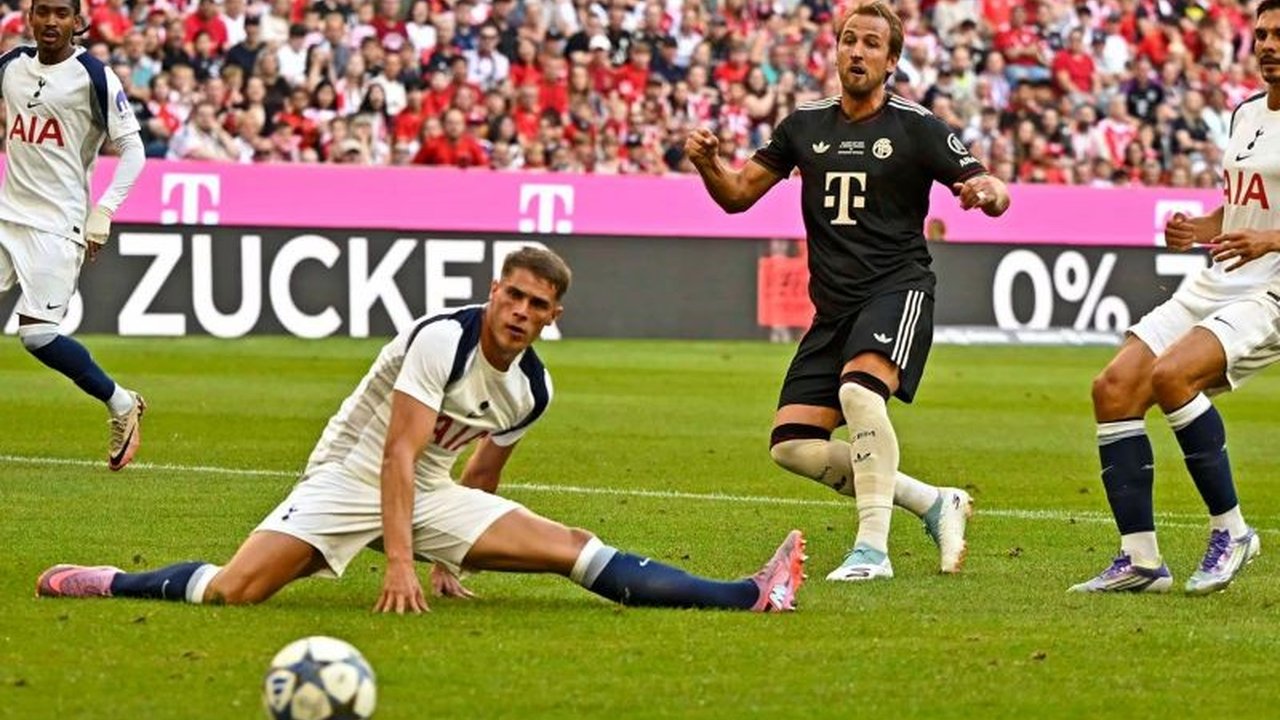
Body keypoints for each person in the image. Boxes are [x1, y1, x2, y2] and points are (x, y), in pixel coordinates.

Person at [37, 248, 806, 613]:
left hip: (428, 489)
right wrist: (400, 564)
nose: (520, 312)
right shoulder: (442, 336)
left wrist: (449, 552)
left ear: (553, 317)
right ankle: (108, 580)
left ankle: (747, 595)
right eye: (512, 295)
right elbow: (397, 452)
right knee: (239, 592)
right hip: (351, 472)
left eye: (537, 306)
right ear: (493, 291)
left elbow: (481, 475)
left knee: (572, 546)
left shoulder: (534, 389)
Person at [686, 0, 1011, 582]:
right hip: (833, 309)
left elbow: (989, 184)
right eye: (848, 40)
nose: (856, 51)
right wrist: (710, 164)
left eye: (870, 44)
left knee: (862, 395)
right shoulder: (804, 125)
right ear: (836, 50)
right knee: (792, 444)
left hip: (897, 289)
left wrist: (986, 192)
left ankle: (871, 550)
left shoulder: (918, 128)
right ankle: (935, 502)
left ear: (891, 61)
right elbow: (736, 195)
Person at [1068, 1, 1280, 596]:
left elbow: (1267, 226)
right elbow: (1244, 206)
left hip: (1272, 288)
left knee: (1172, 377)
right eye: (1261, 34)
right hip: (1222, 276)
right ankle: (1140, 561)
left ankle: (1233, 531)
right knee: (1113, 387)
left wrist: (1267, 238)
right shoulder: (1245, 113)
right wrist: (1205, 227)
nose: (1268, 44)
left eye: (1279, 35)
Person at [0, 0, 147, 471]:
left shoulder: (95, 76)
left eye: (62, 13)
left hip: (57, 224)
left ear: (77, 22)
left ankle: (121, 402)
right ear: (29, 18)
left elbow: (133, 151)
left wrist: (103, 210)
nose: (51, 22)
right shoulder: (11, 66)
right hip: (7, 214)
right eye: (43, 11)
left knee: (38, 336)